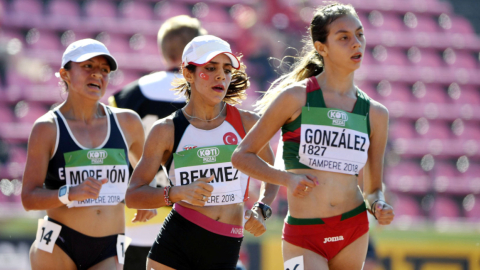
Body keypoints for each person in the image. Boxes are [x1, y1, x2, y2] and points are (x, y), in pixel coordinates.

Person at [232, 3, 394, 270]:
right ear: (322, 47)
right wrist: (287, 179)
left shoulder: (376, 113)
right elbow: (241, 156)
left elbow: (373, 188)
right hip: (304, 233)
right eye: (344, 37)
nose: (356, 43)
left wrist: (378, 204)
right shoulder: (295, 97)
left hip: (353, 229)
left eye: (360, 34)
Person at [126, 35, 279, 270]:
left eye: (227, 70)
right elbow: (134, 194)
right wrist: (176, 193)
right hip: (174, 246)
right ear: (188, 74)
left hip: (225, 248)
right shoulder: (166, 130)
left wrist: (262, 209)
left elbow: (273, 174)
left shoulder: (248, 123)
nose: (221, 76)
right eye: (210, 68)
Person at [21, 38, 147, 270]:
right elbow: (28, 198)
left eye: (104, 70)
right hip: (58, 243)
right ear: (65, 74)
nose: (97, 74)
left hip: (110, 246)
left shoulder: (128, 122)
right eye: (88, 66)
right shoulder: (47, 127)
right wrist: (69, 193)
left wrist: (145, 196)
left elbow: (148, 173)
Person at [108, 15, 206, 270]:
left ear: (164, 49)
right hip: (190, 215)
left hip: (133, 216)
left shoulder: (126, 95)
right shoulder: (206, 94)